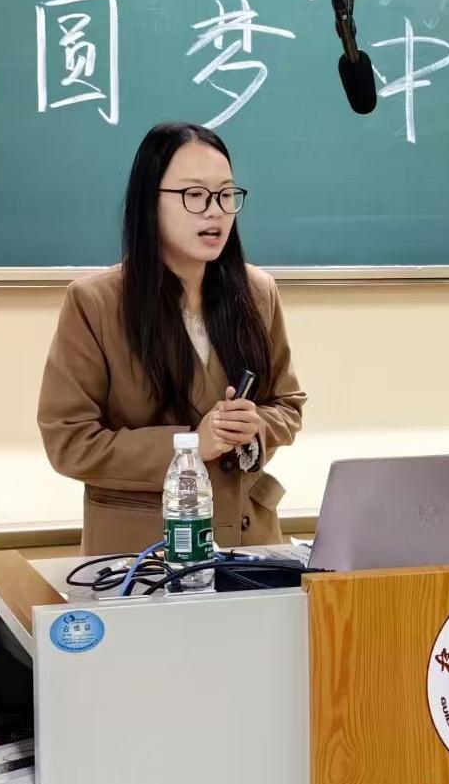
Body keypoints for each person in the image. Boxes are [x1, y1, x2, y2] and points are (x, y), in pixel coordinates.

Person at [38, 123, 306, 556]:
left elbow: (287, 405)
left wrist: (254, 427)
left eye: (225, 195)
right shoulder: (95, 303)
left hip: (248, 543)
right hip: (140, 553)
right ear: (150, 202)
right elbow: (69, 442)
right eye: (195, 195)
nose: (215, 212)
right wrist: (192, 444)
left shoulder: (258, 292)